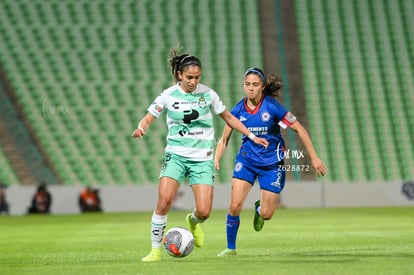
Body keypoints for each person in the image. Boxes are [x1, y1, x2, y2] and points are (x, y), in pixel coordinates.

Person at [131, 48, 269, 262]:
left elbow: (229, 119)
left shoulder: (208, 94)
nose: (194, 81)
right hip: (175, 155)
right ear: (179, 75)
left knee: (204, 212)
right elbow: (149, 117)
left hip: (202, 158)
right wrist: (142, 128)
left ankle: (192, 222)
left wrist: (251, 135)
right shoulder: (168, 95)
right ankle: (155, 251)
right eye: (189, 77)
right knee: (164, 200)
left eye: (197, 77)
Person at [214, 68, 328, 256]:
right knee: (234, 205)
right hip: (246, 161)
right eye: (247, 84)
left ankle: (259, 210)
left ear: (263, 87)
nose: (250, 88)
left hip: (271, 164)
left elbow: (299, 129)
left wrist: (314, 158)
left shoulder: (273, 107)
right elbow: (224, 139)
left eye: (255, 85)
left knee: (267, 214)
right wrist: (217, 158)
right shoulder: (237, 109)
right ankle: (230, 248)